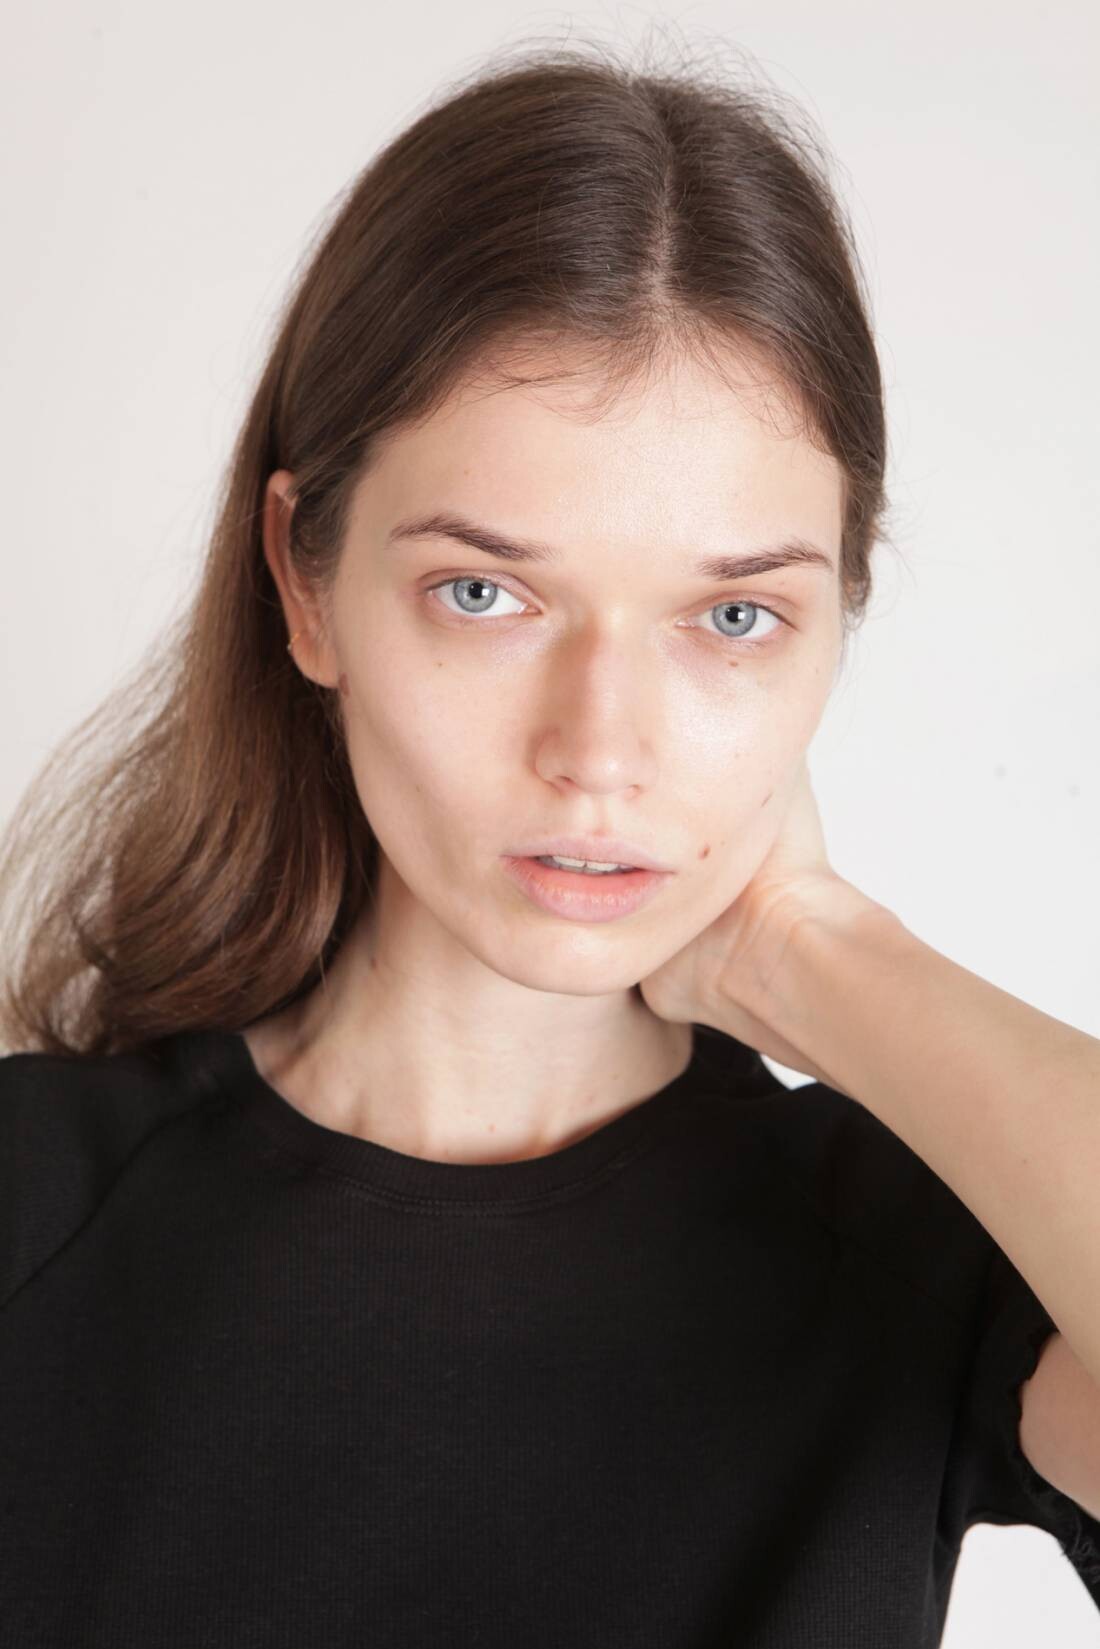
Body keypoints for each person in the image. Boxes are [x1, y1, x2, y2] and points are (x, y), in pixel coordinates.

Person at [1, 35, 1098, 1648]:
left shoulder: (915, 1259)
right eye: (486, 592)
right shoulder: (34, 1209)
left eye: (736, 616)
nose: (600, 750)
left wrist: (815, 953)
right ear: (306, 585)